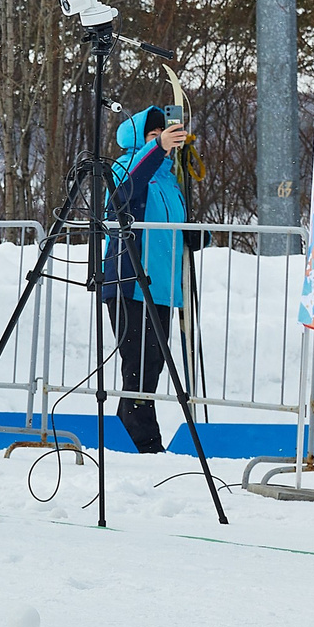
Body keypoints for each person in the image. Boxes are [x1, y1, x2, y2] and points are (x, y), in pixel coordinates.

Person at [99, 106, 197, 454]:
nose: (162, 141)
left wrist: (198, 236)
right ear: (141, 139)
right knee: (138, 364)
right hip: (129, 281)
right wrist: (156, 150)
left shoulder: (171, 180)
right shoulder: (126, 166)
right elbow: (124, 193)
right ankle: (144, 441)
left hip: (162, 287)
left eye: (165, 134)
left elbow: (177, 224)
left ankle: (131, 436)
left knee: (152, 364)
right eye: (154, 135)